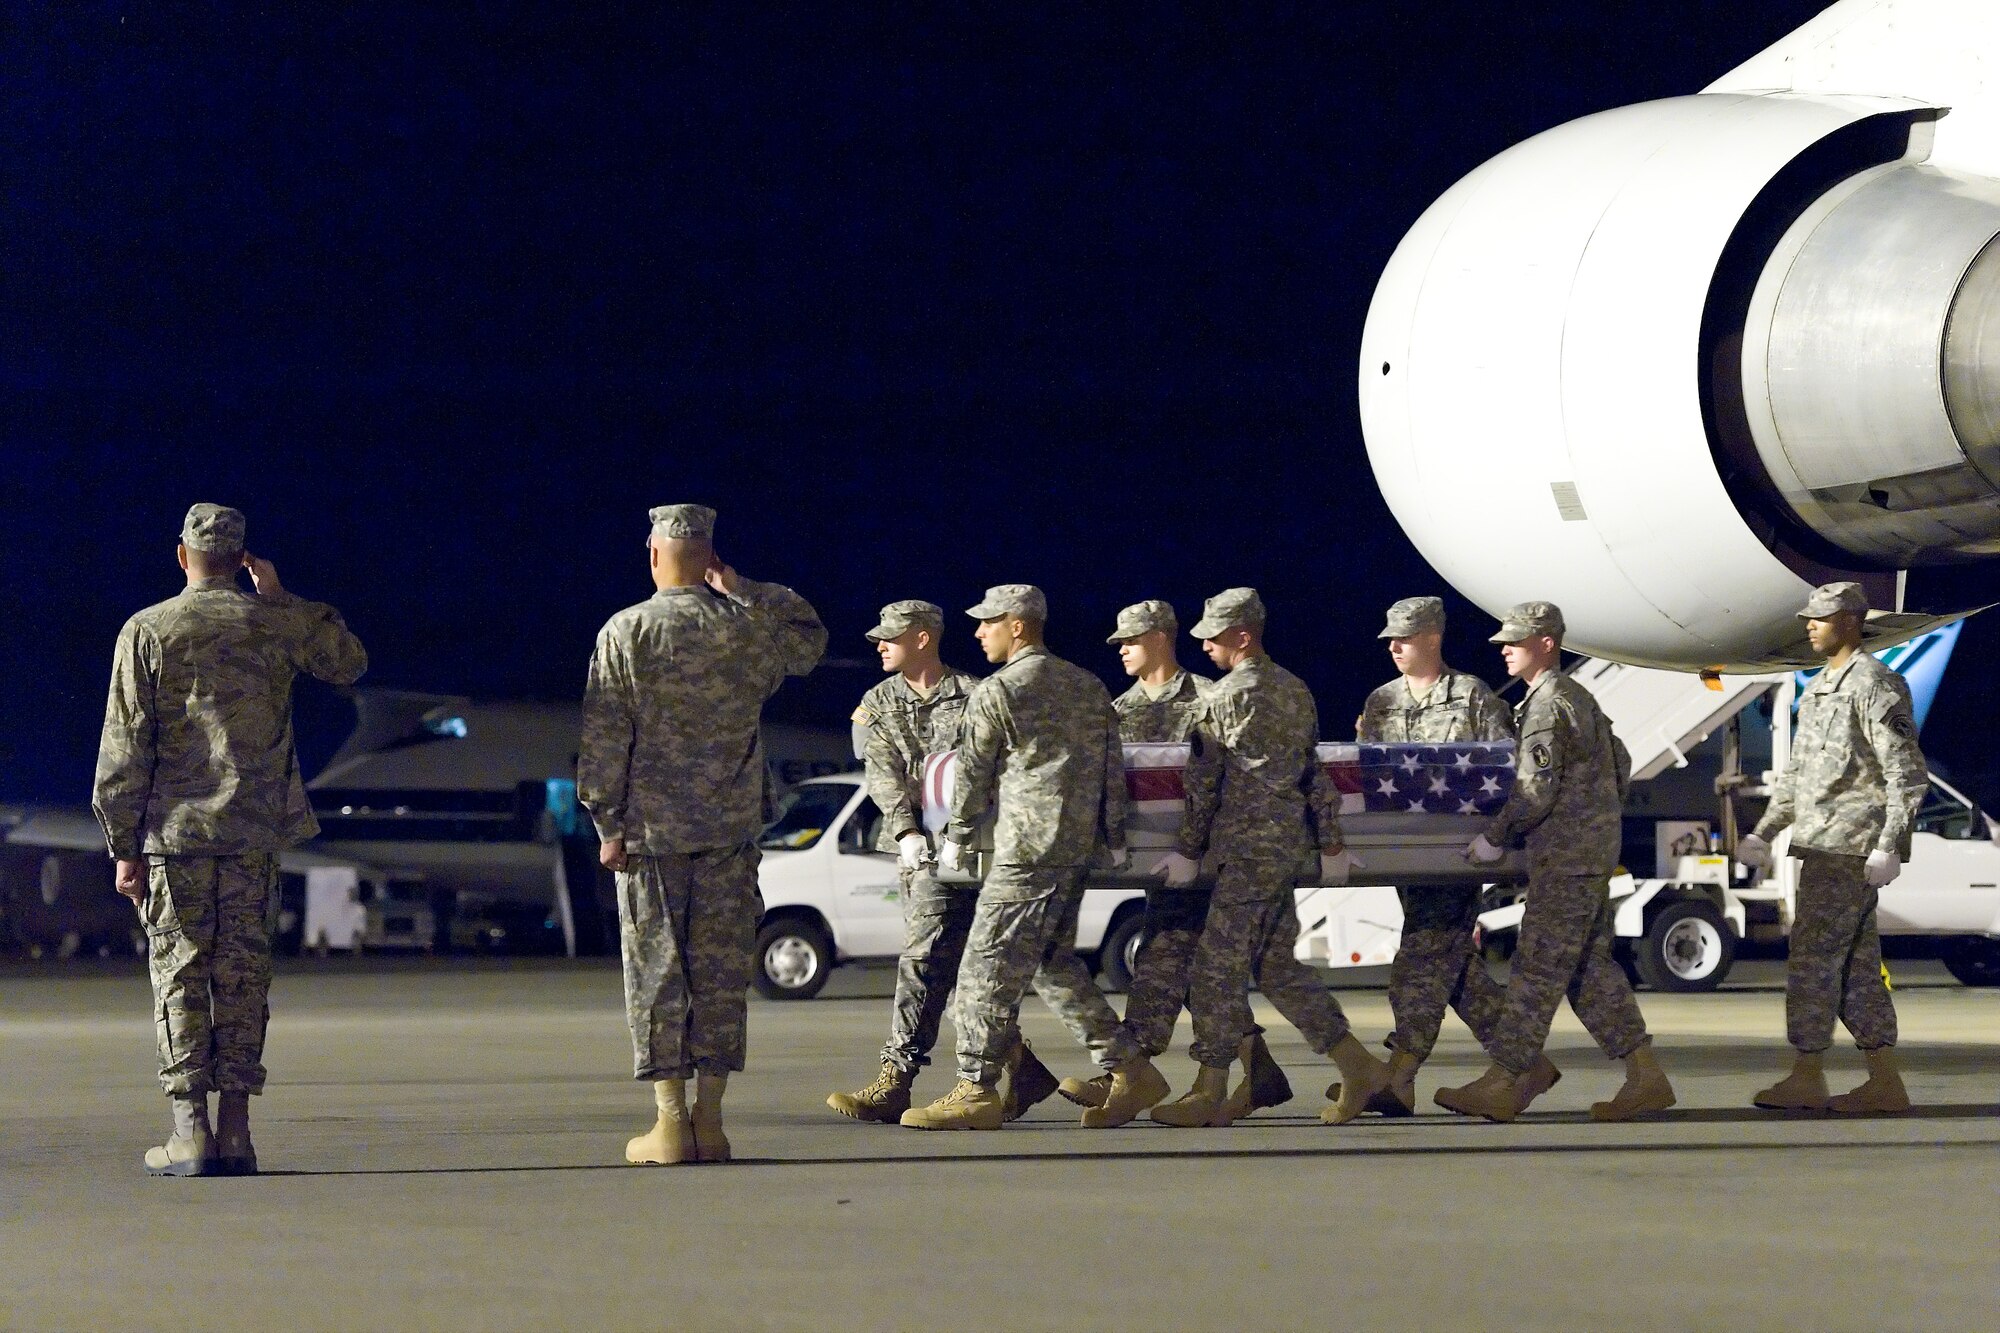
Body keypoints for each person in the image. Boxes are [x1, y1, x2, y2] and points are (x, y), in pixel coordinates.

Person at [92, 504, 368, 1176]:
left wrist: (123, 844)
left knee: (180, 976)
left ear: (182, 555)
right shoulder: (273, 625)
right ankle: (237, 1130)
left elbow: (125, 750)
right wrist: (279, 597)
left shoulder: (148, 630)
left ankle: (190, 1133)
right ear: (243, 558)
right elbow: (348, 661)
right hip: (253, 833)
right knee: (243, 977)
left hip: (176, 835)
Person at [579, 504, 826, 1165]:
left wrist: (607, 822)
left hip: (651, 836)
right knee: (720, 975)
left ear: (655, 555)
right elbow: (809, 637)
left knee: (659, 974)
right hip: (731, 830)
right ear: (710, 557)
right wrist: (744, 590)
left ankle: (667, 1125)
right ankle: (710, 1121)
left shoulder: (626, 631)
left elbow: (605, 737)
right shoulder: (746, 630)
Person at [901, 585, 1169, 1130]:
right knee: (1051, 964)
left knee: (982, 966)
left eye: (988, 623)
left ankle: (975, 1090)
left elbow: (973, 771)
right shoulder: (1089, 686)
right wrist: (1111, 834)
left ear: (1017, 626)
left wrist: (956, 833)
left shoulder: (1000, 690)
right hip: (1074, 851)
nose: (978, 632)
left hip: (1023, 851)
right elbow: (1112, 767)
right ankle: (1131, 1069)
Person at [1147, 588, 1390, 1128]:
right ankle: (1361, 1067)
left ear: (1243, 635)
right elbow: (1314, 770)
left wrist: (1187, 849)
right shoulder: (1295, 690)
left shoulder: (1222, 698)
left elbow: (1204, 783)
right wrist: (1329, 842)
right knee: (1277, 969)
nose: (1205, 643)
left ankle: (1209, 1088)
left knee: (1213, 968)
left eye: (1214, 634)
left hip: (1245, 848)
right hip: (1284, 846)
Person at [1437, 601, 1673, 1123]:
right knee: (1587, 970)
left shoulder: (1547, 705)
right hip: (1586, 852)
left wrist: (1495, 837)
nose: (1505, 649)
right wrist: (1597, 815)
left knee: (1536, 968)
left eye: (1516, 642)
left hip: (1565, 858)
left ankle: (1506, 1079)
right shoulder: (1577, 698)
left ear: (1547, 644)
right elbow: (1621, 762)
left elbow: (1535, 788)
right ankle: (1646, 1076)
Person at [1058, 600, 1292, 1122]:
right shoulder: (1118, 711)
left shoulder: (1211, 698)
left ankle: (1133, 1072)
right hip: (1156, 864)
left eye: (1130, 642)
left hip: (1207, 858)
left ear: (1162, 637)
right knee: (1180, 967)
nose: (1121, 651)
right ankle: (1257, 1068)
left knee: (1167, 958)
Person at [827, 601, 1060, 1123]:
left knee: (960, 968)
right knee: (925, 960)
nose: (880, 646)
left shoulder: (978, 694)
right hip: (922, 853)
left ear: (924, 638)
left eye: (891, 637)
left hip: (977, 848)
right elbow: (881, 772)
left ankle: (1010, 1067)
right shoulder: (877, 702)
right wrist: (907, 831)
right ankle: (902, 1077)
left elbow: (1000, 767)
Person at [1737, 582, 1924, 1114]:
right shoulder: (1819, 688)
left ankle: (1807, 1073)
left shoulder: (1876, 686)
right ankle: (1884, 1081)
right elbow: (1799, 775)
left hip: (1850, 848)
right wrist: (1764, 832)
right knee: (1855, 967)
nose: (1810, 626)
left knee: (1814, 960)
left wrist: (1890, 844)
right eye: (1809, 618)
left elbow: (1906, 773)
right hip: (1820, 845)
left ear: (1850, 620)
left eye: (1820, 618)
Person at [1349, 595, 1528, 1117]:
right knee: (1451, 966)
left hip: (1457, 858)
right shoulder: (1381, 701)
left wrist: (1496, 840)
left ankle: (1400, 1073)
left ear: (1432, 638)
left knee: (1420, 959)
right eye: (1390, 640)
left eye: (1404, 638)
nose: (1394, 647)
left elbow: (1508, 772)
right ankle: (1523, 1061)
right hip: (1404, 856)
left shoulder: (1473, 698)